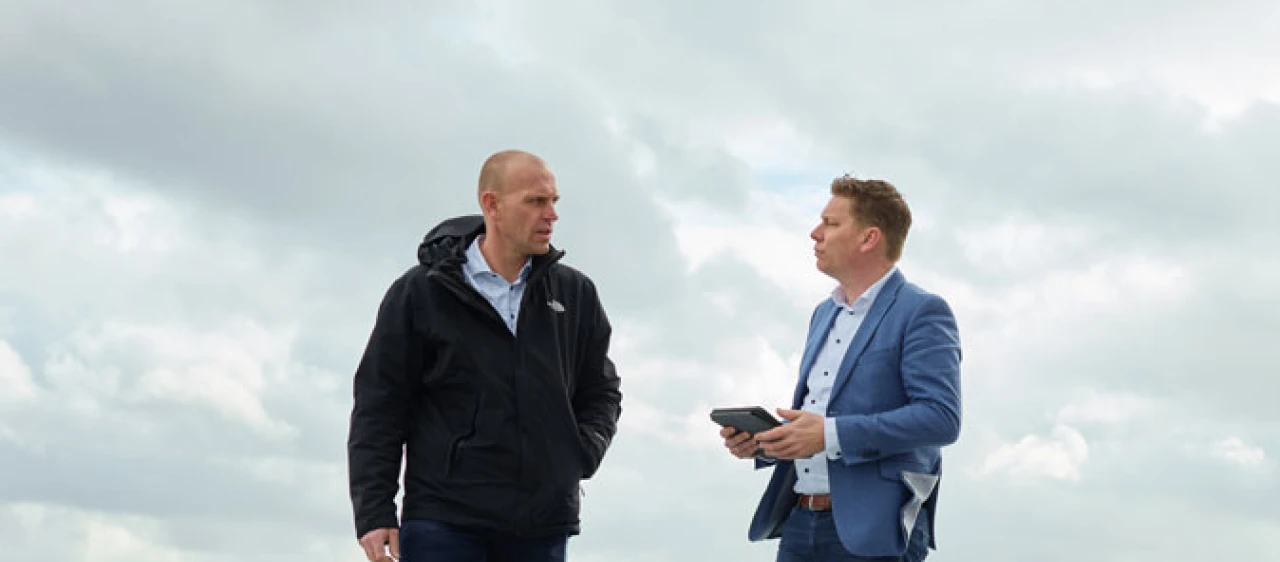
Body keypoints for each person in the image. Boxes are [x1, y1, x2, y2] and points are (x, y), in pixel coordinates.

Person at [347, 150, 623, 562]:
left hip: (542, 526)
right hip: (444, 520)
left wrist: (580, 453)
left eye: (554, 201)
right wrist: (374, 511)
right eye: (536, 201)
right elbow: (380, 405)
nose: (551, 214)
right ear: (491, 205)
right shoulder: (421, 292)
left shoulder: (575, 293)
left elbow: (601, 390)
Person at [720, 175, 962, 561]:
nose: (815, 233)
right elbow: (818, 421)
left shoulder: (922, 312)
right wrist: (767, 443)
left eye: (831, 223)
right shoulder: (823, 314)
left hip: (874, 532)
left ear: (868, 238)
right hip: (799, 523)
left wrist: (829, 435)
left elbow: (941, 417)